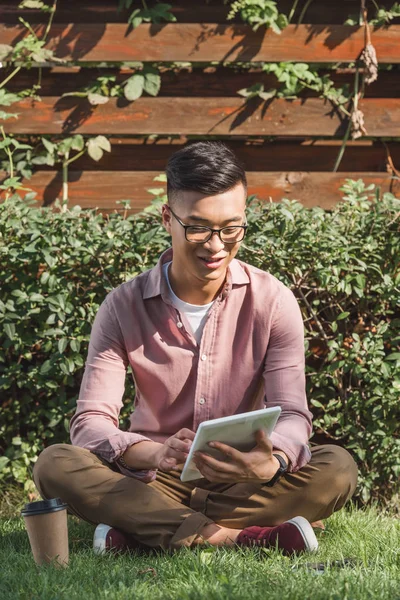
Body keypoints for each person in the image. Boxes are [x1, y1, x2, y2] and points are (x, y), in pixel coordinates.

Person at [33, 141, 358, 556]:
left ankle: (141, 529)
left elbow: (293, 413)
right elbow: (91, 423)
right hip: (154, 476)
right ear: (167, 218)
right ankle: (237, 537)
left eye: (231, 228)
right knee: (55, 464)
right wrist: (153, 453)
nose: (216, 245)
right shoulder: (123, 306)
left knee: (337, 468)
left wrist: (271, 462)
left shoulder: (273, 301)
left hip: (243, 477)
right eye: (198, 227)